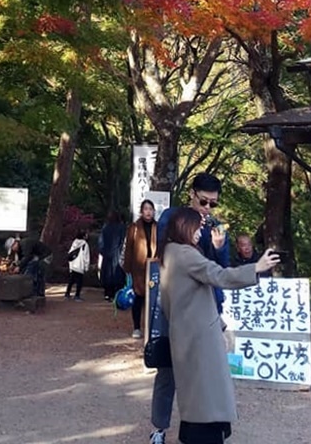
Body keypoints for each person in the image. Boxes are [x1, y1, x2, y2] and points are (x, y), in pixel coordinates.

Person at [159, 207, 280, 444]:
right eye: (196, 227)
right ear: (184, 227)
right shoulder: (186, 254)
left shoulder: (169, 253)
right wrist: (256, 267)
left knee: (196, 396)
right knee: (209, 397)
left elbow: (175, 301)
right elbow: (220, 276)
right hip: (201, 336)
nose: (199, 232)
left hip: (185, 333)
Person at [150, 173, 230, 444]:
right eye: (204, 201)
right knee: (169, 370)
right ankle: (159, 427)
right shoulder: (172, 218)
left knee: (207, 372)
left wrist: (218, 248)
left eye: (213, 204)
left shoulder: (215, 227)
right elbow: (166, 251)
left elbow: (223, 270)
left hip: (207, 308)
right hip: (178, 306)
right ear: (192, 195)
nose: (207, 209)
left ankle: (207, 429)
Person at [123, 199, 158, 338]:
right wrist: (127, 268)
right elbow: (129, 249)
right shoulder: (134, 227)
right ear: (142, 211)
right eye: (146, 209)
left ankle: (151, 327)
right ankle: (137, 327)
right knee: (138, 298)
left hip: (154, 266)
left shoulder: (158, 227)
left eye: (151, 209)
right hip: (138, 268)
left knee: (153, 299)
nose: (148, 211)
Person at [98, 210, 126, 301]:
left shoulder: (105, 228)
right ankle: (117, 294)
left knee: (107, 274)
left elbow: (100, 242)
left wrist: (102, 251)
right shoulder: (121, 228)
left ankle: (107, 293)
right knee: (118, 275)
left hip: (107, 254)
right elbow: (123, 241)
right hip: (117, 253)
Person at [65, 229, 90, 301]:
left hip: (73, 265)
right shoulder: (85, 244)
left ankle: (67, 293)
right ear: (84, 236)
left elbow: (70, 253)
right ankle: (77, 295)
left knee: (71, 280)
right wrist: (86, 267)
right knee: (79, 281)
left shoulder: (74, 242)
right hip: (80, 265)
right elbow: (86, 257)